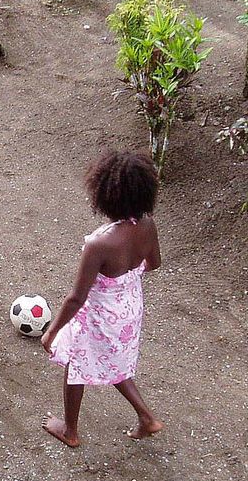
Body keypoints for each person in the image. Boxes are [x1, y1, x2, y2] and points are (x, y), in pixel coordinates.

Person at [41, 150, 164, 447]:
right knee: (114, 361)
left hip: (100, 315)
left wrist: (52, 331)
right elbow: (155, 263)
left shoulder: (99, 244)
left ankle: (70, 431)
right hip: (129, 308)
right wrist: (125, 281)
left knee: (76, 361)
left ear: (105, 196)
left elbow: (76, 298)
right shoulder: (147, 225)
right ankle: (147, 418)